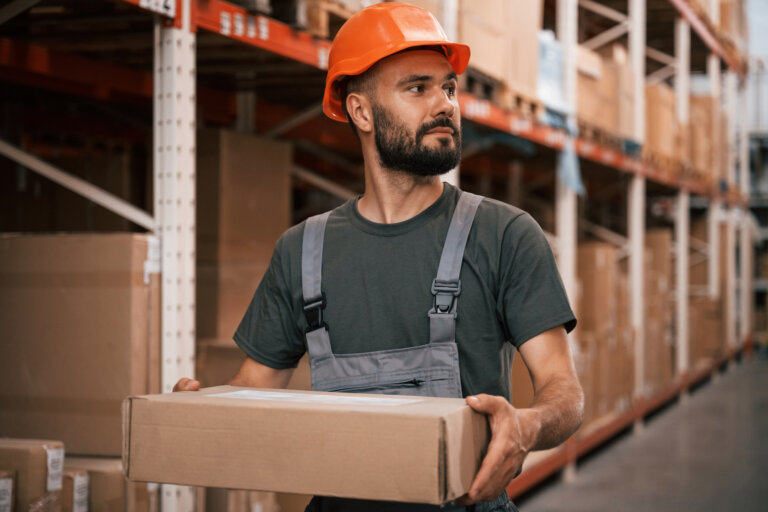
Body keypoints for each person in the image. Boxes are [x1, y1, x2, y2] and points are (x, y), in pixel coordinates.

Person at [174, 3, 584, 511]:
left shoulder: (504, 235)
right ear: (360, 112)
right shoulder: (303, 251)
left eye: (449, 88)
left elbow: (563, 391)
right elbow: (253, 391)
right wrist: (202, 411)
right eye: (418, 88)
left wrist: (529, 424)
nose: (445, 104)